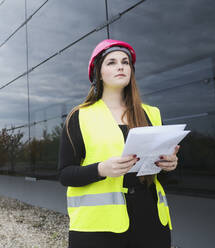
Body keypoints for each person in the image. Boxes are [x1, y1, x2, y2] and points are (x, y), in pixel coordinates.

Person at [58, 39, 180, 248]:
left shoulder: (152, 114)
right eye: (111, 62)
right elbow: (65, 174)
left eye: (125, 62)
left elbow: (165, 178)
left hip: (150, 221)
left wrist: (170, 165)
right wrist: (100, 169)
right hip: (98, 228)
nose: (121, 66)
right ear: (99, 73)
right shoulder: (79, 117)